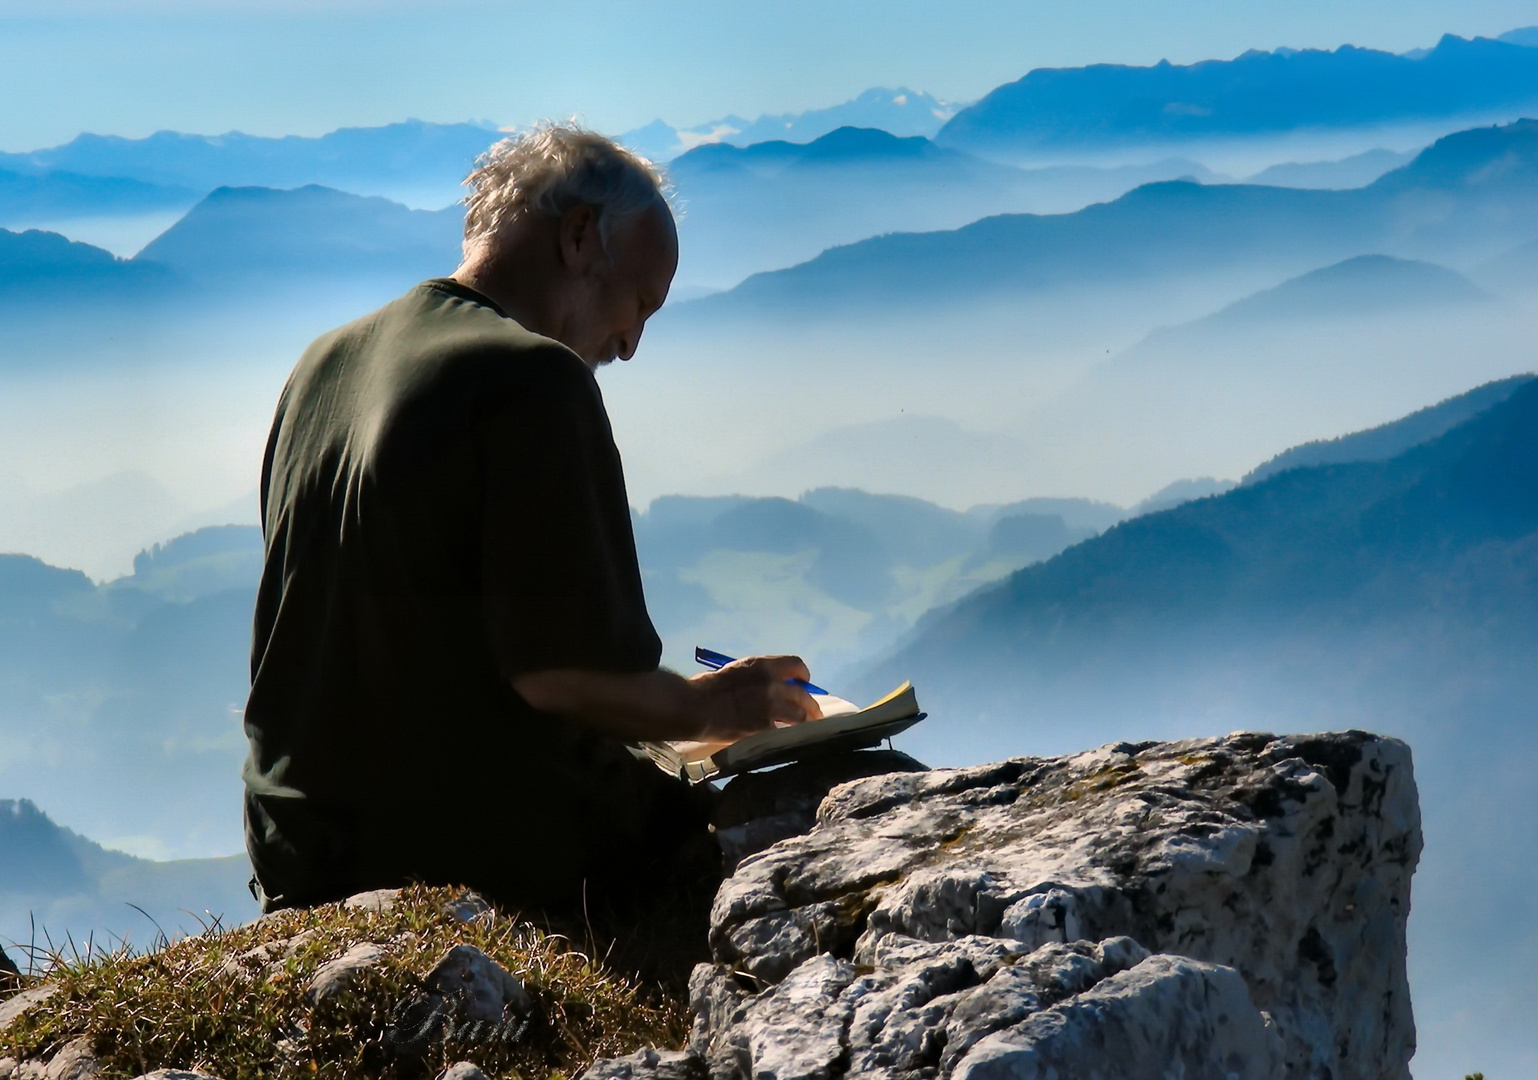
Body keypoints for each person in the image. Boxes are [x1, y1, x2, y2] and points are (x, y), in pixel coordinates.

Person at [240, 123, 822, 923]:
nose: (630, 344)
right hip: (465, 851)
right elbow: (559, 675)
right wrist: (717, 706)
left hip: (298, 850)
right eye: (639, 304)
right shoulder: (532, 379)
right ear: (580, 236)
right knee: (832, 807)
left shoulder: (322, 364)